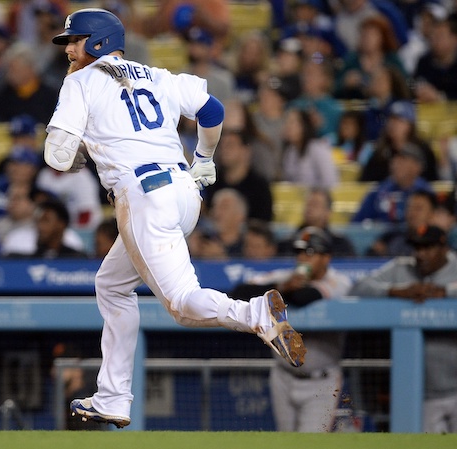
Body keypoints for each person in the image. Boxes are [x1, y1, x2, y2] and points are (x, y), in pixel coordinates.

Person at [43, 8, 306, 428]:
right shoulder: (158, 75)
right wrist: (203, 156)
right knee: (111, 285)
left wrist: (75, 150)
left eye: (74, 41)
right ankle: (113, 398)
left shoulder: (79, 82)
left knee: (183, 305)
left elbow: (57, 158)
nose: (69, 49)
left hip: (143, 197)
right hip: (184, 191)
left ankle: (257, 314)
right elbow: (213, 109)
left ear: (97, 42)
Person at [350, 224, 457, 433]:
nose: (421, 254)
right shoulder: (401, 268)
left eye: (428, 248)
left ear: (444, 248)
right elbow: (359, 287)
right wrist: (394, 291)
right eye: (417, 248)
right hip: (422, 389)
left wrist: (447, 292)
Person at [231, 226, 352, 432]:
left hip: (320, 381)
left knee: (310, 443)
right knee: (285, 441)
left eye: (310, 253)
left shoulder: (339, 282)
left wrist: (281, 291)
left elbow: (305, 297)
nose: (303, 258)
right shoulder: (285, 277)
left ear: (326, 257)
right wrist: (282, 287)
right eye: (299, 252)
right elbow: (239, 292)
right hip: (283, 376)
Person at [352, 143, 434, 224]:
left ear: (417, 167)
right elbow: (356, 224)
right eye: (394, 160)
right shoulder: (378, 191)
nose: (396, 164)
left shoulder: (425, 193)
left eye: (403, 160)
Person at [277, 187, 356, 257]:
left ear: (328, 212)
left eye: (315, 204)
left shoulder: (340, 244)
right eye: (308, 204)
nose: (309, 208)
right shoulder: (288, 243)